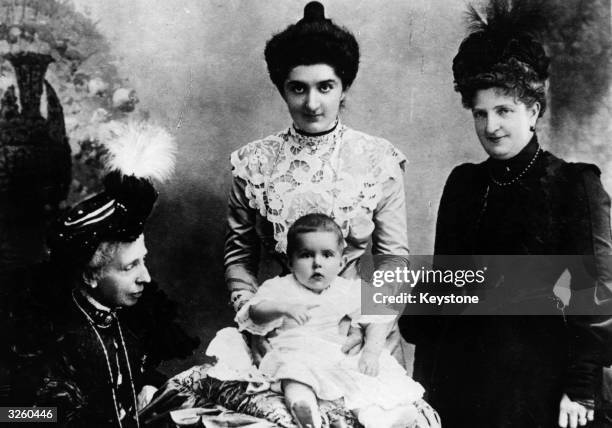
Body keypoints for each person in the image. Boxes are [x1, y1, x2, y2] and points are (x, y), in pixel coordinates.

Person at [399, 2, 612, 428]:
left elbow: (597, 293)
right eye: (480, 113)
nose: (491, 126)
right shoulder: (464, 184)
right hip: (462, 378)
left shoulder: (573, 184)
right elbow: (447, 282)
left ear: (533, 111)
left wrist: (581, 387)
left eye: (504, 111)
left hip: (543, 382)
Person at [224, 3, 409, 361]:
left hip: (358, 333)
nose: (312, 103)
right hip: (280, 332)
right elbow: (239, 258)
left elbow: (393, 261)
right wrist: (253, 322)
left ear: (344, 87)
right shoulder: (253, 163)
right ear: (282, 89)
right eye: (298, 88)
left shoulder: (377, 159)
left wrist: (370, 329)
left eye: (325, 87)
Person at [11, 122, 199, 427]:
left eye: (143, 261)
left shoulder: (126, 323)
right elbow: (10, 416)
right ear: (90, 276)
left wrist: (149, 387)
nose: (146, 278)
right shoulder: (51, 340)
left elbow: (134, 375)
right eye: (129, 267)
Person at [234, 213, 424, 428]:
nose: (317, 263)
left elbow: (376, 317)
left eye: (327, 255)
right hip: (293, 350)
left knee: (358, 378)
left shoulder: (344, 289)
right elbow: (255, 312)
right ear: (290, 261)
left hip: (331, 352)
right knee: (294, 374)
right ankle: (303, 408)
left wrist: (371, 350)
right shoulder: (280, 287)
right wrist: (282, 307)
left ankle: (377, 417)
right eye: (306, 255)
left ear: (341, 261)